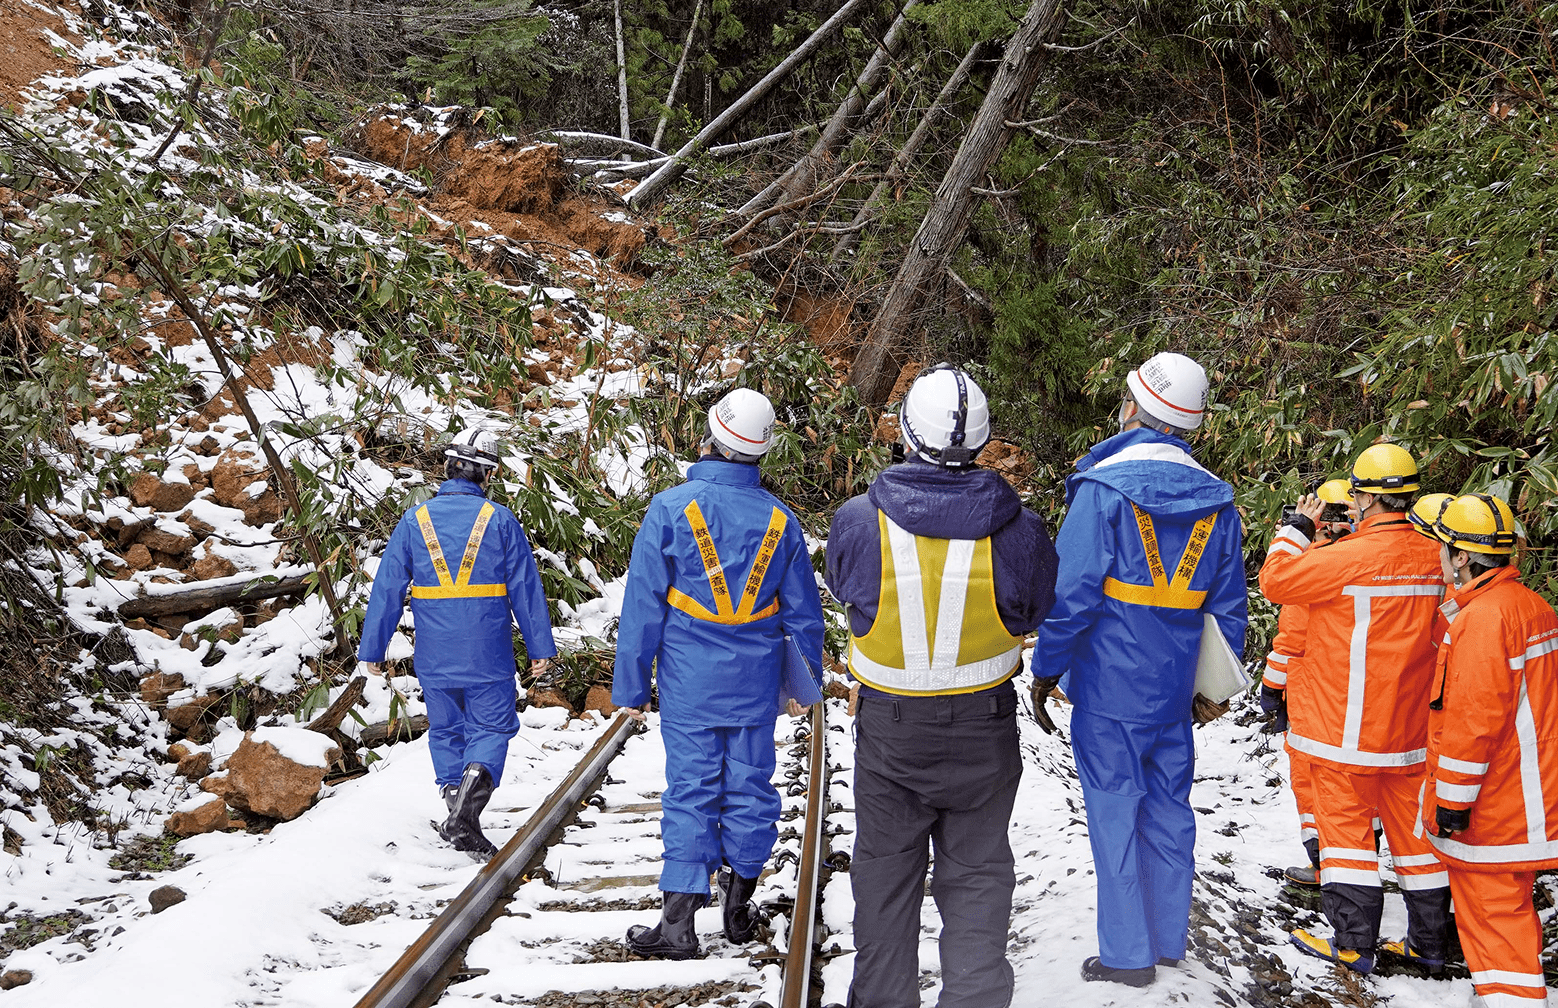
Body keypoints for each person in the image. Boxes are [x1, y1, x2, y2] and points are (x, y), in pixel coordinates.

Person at [826, 364, 1057, 1008]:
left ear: (905, 434)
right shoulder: (1022, 530)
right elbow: (1034, 611)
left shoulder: (856, 521)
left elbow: (848, 590)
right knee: (979, 879)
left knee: (884, 880)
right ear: (982, 444)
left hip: (891, 733)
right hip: (983, 730)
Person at [1034, 351, 1248, 989]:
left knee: (1114, 813)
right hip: (1175, 692)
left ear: (1133, 408)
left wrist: (1046, 670)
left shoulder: (1102, 492)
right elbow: (1229, 609)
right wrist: (1211, 691)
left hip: (1107, 690)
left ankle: (1127, 956)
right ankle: (1166, 940)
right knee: (1169, 812)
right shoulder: (1219, 504)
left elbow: (1070, 596)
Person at [612, 387, 826, 961]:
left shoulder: (670, 508)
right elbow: (805, 617)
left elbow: (643, 606)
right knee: (752, 785)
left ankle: (678, 926)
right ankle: (738, 907)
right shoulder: (783, 520)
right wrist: (805, 688)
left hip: (689, 682)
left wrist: (631, 687)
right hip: (755, 686)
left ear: (712, 437)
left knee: (691, 790)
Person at [1259, 443, 1449, 974]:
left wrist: (1296, 529)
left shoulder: (1341, 559)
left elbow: (1275, 582)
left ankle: (1353, 946)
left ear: (1363, 499)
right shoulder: (1437, 555)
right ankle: (1431, 947)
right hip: (1409, 734)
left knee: (1348, 843)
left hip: (1341, 733)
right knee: (1417, 845)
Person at [357, 427, 557, 859]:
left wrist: (373, 648)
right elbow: (525, 587)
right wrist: (540, 647)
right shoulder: (500, 520)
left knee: (447, 728)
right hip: (487, 650)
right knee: (491, 726)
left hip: (435, 651)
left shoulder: (415, 520)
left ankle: (456, 809)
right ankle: (464, 817)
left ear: (447, 468)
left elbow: (387, 587)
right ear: (488, 473)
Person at [1422, 493, 1558, 1008]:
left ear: (1461, 556)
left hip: (1497, 805)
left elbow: (1472, 722)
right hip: (1527, 793)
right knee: (1509, 916)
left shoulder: (1483, 621)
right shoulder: (1530, 606)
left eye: (1442, 546)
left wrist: (1452, 802)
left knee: (1495, 926)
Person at [1261, 478, 1357, 889]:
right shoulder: (1370, 560)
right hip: (1368, 697)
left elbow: (1291, 640)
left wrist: (1271, 690)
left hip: (1314, 698)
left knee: (1313, 784)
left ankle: (1327, 868)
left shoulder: (1316, 567)